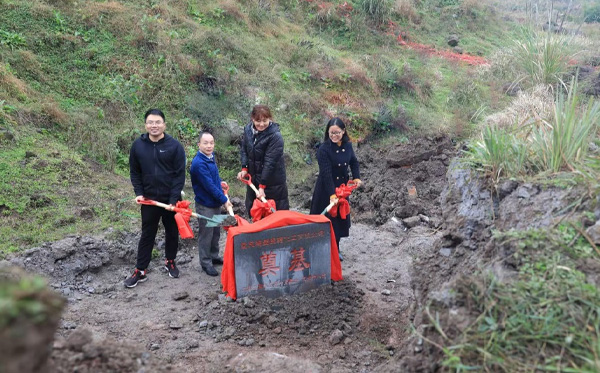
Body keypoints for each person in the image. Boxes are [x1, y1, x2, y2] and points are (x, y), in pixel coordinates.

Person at [125, 109, 186, 288]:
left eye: (158, 122)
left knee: (172, 232)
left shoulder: (175, 146)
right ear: (146, 125)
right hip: (149, 200)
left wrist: (173, 199)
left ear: (164, 125)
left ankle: (170, 261)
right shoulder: (138, 146)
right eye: (151, 122)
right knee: (147, 234)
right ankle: (140, 270)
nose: (154, 125)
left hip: (169, 200)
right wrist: (139, 193)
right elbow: (135, 172)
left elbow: (179, 175)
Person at [309, 117, 362, 261]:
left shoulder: (348, 146)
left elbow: (354, 162)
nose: (334, 136)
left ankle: (336, 249)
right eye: (331, 133)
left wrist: (356, 178)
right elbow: (326, 174)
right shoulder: (323, 149)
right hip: (326, 190)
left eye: (337, 132)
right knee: (325, 220)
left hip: (342, 189)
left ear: (343, 131)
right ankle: (319, 249)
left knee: (338, 220)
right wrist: (332, 194)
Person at [190, 131, 233, 277]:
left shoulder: (210, 157)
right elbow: (209, 186)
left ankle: (214, 256)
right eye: (205, 143)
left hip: (215, 202)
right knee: (206, 234)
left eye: (211, 143)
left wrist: (220, 182)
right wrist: (225, 200)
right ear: (199, 145)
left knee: (215, 232)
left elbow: (213, 178)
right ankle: (206, 262)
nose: (209, 146)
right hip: (205, 205)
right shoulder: (198, 163)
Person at [236, 105, 289, 216]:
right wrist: (244, 168)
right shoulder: (248, 130)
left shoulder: (275, 136)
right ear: (252, 119)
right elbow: (244, 150)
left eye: (264, 120)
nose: (261, 124)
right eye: (258, 121)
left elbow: (270, 163)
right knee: (256, 213)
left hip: (272, 183)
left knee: (274, 217)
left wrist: (262, 186)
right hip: (254, 180)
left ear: (270, 119)